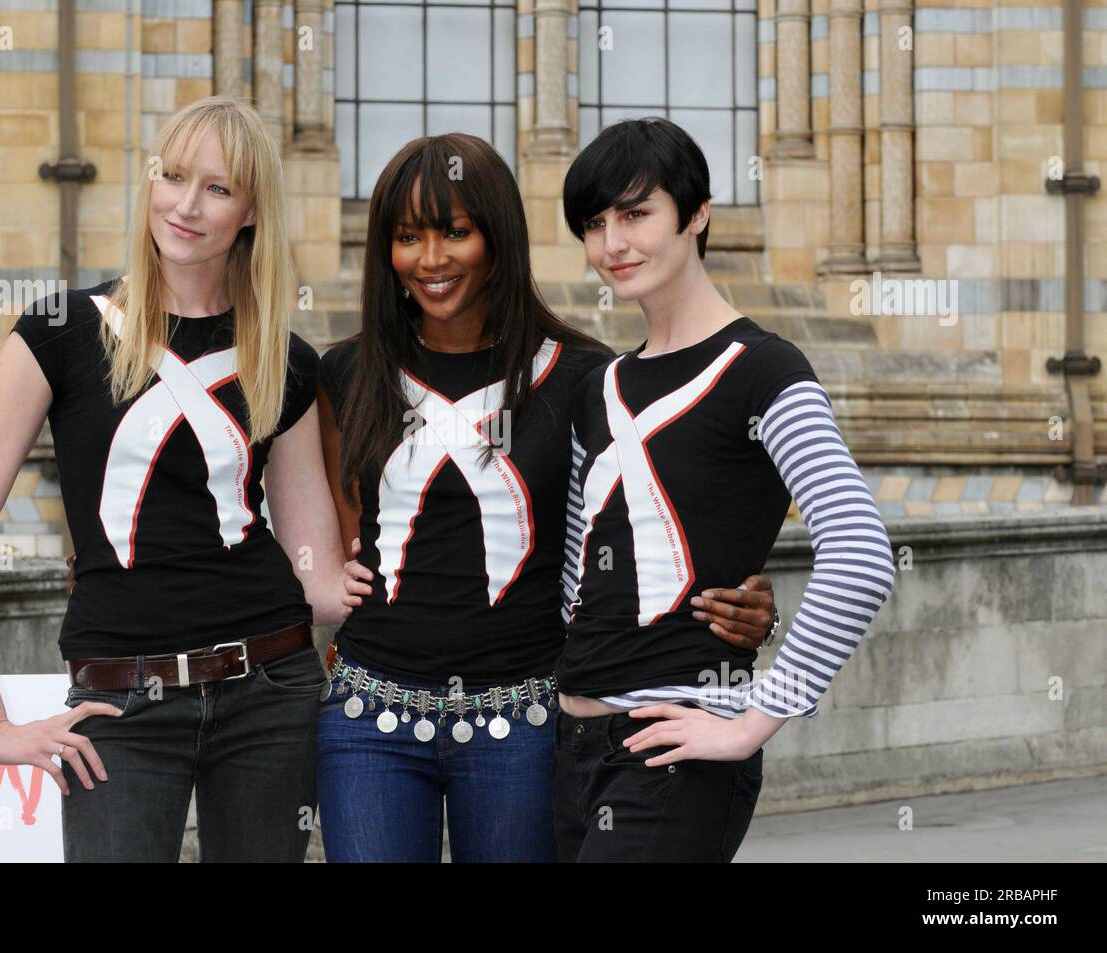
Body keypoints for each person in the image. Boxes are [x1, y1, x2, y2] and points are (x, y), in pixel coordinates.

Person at [316, 132, 779, 862]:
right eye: (408, 237)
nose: (431, 259)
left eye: (456, 232)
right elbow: (339, 532)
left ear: (498, 235)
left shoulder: (581, 376)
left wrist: (743, 598)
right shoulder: (343, 373)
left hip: (526, 722)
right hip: (368, 721)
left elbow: (636, 532)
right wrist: (320, 573)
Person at [0, 97, 347, 862]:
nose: (186, 205)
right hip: (117, 702)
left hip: (271, 691)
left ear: (252, 212)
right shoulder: (58, 329)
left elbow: (314, 572)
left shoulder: (285, 361)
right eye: (173, 175)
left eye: (218, 188)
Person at [552, 117, 896, 862]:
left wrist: (753, 716)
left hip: (677, 750)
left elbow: (863, 555)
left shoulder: (766, 372)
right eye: (595, 223)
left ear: (698, 213)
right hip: (568, 750)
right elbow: (577, 579)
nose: (613, 243)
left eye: (637, 214)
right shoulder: (596, 386)